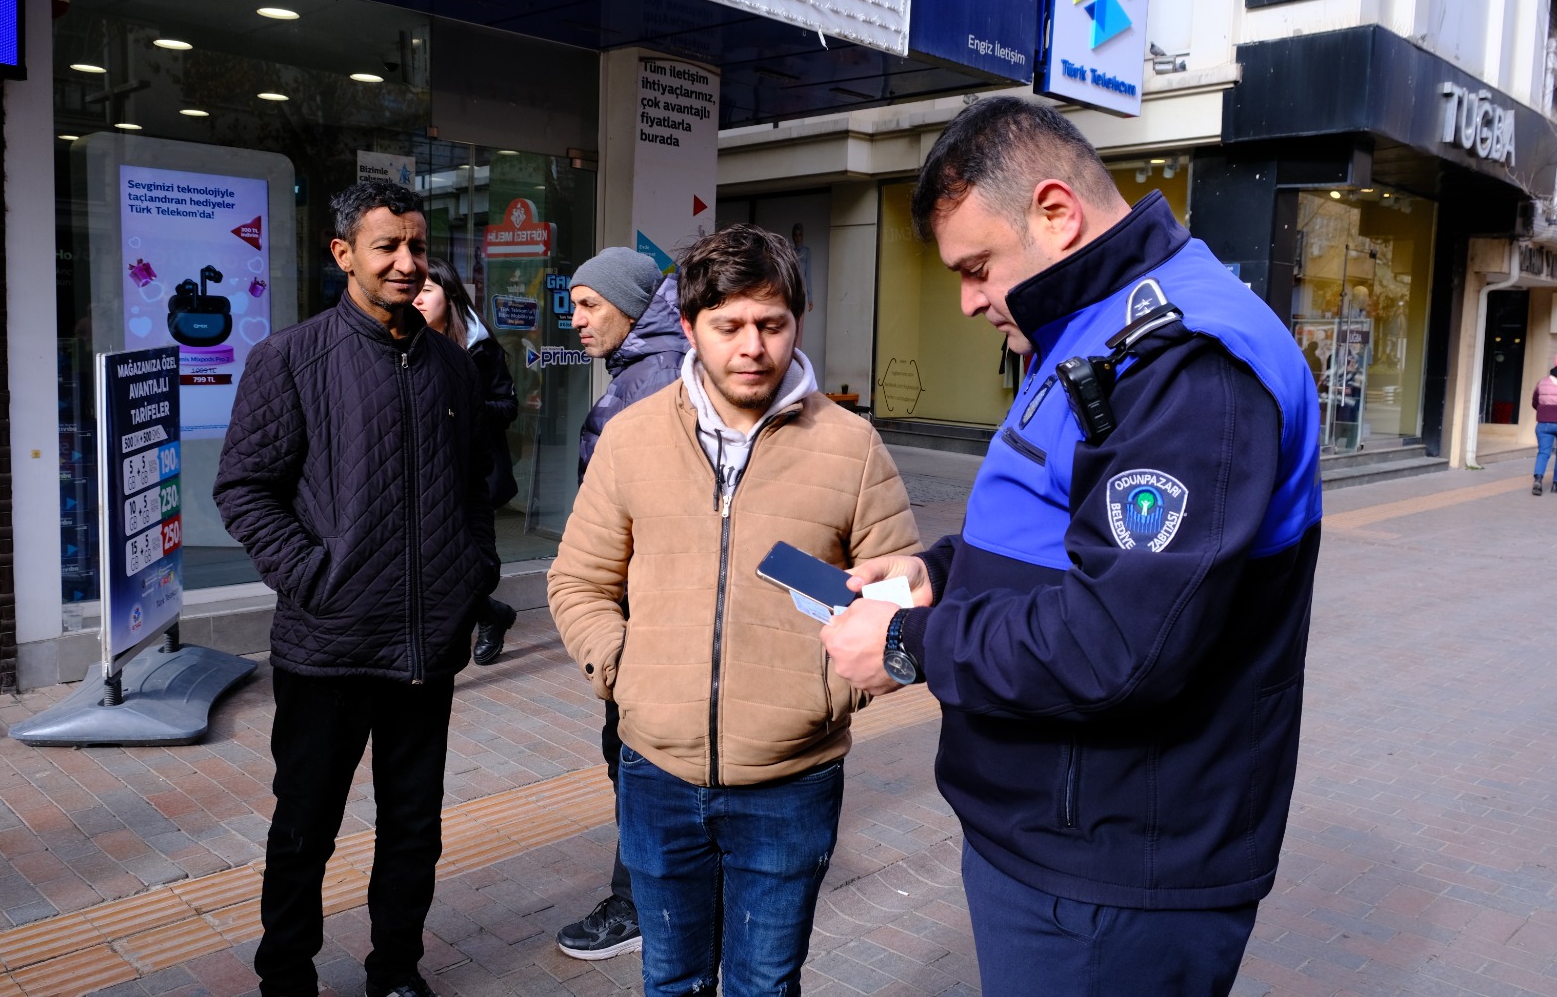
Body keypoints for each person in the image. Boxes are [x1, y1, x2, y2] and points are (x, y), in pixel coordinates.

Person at [819, 97, 1323, 996]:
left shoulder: (1189, 363)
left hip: (1116, 867)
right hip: (1060, 833)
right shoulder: (1094, 327)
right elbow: (1060, 529)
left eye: (977, 268)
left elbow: (1119, 646)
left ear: (1056, 213)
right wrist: (938, 572)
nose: (970, 300)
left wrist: (907, 646)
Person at [547, 223, 921, 996]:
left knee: (764, 985)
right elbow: (578, 579)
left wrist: (823, 695)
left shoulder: (852, 447)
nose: (751, 346)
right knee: (671, 980)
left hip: (793, 780)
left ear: (797, 323)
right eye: (728, 326)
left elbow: (896, 600)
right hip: (655, 770)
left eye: (771, 324)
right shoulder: (632, 438)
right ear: (689, 328)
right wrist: (625, 675)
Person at [214, 180, 499, 997]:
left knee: (413, 829)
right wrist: (312, 577)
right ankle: (286, 975)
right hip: (326, 645)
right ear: (344, 254)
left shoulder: (452, 363)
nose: (409, 263)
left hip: (425, 647)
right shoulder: (291, 358)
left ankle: (396, 971)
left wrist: (472, 570)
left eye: (417, 245)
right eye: (389, 247)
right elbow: (243, 488)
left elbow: (477, 483)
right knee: (305, 826)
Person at [551, 247, 686, 959]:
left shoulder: (654, 378)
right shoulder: (643, 369)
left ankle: (641, 905)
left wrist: (621, 631)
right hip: (644, 610)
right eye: (572, 303)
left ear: (631, 308)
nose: (575, 320)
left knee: (639, 759)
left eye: (589, 304)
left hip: (649, 617)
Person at [416, 258, 521, 662]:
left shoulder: (478, 346)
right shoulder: (406, 340)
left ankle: (490, 615)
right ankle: (490, 613)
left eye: (427, 292)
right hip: (424, 470)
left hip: (472, 472)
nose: (418, 300)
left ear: (450, 296)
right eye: (416, 292)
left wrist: (465, 406)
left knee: (465, 562)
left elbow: (507, 406)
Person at [1530, 362, 1557, 495]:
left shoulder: (1542, 382)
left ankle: (1538, 481)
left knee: (1543, 453)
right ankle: (1555, 485)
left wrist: (1544, 412)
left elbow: (1535, 402)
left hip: (1543, 423)